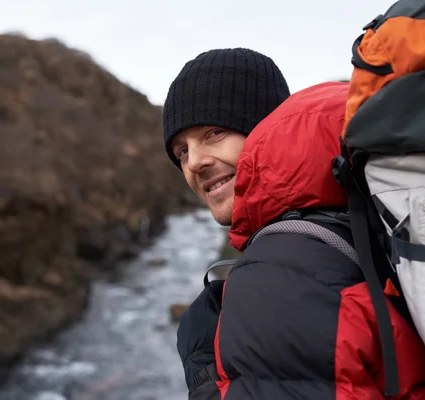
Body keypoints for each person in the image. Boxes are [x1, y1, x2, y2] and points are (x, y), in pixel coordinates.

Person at [163, 50, 425, 399]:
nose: (194, 163)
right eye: (182, 151)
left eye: (214, 133)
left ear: (265, 128)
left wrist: (208, 385)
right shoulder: (358, 220)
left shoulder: (277, 276)